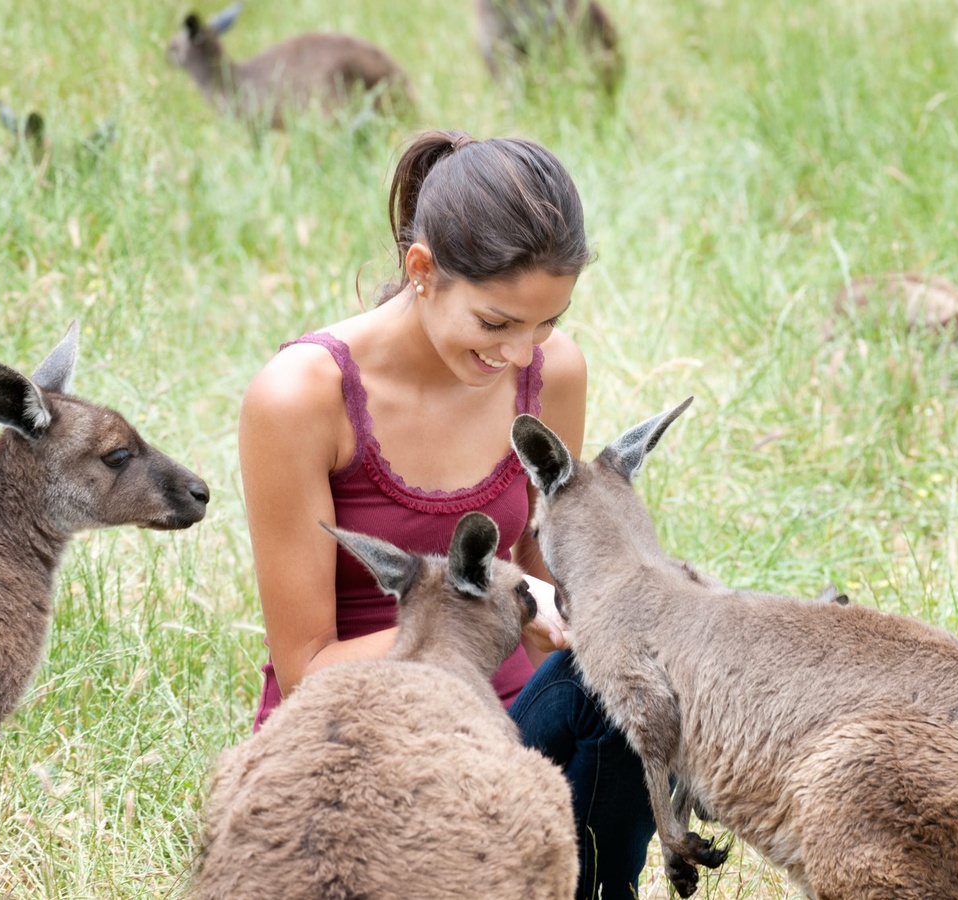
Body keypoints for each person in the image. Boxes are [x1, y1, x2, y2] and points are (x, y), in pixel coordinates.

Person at [237, 129, 655, 898]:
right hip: (363, 750)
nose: (523, 353)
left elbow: (539, 572)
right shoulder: (301, 396)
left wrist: (565, 608)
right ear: (421, 270)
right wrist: (485, 617)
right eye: (497, 324)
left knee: (630, 677)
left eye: (548, 321)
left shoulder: (550, 376)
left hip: (508, 740)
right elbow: (307, 668)